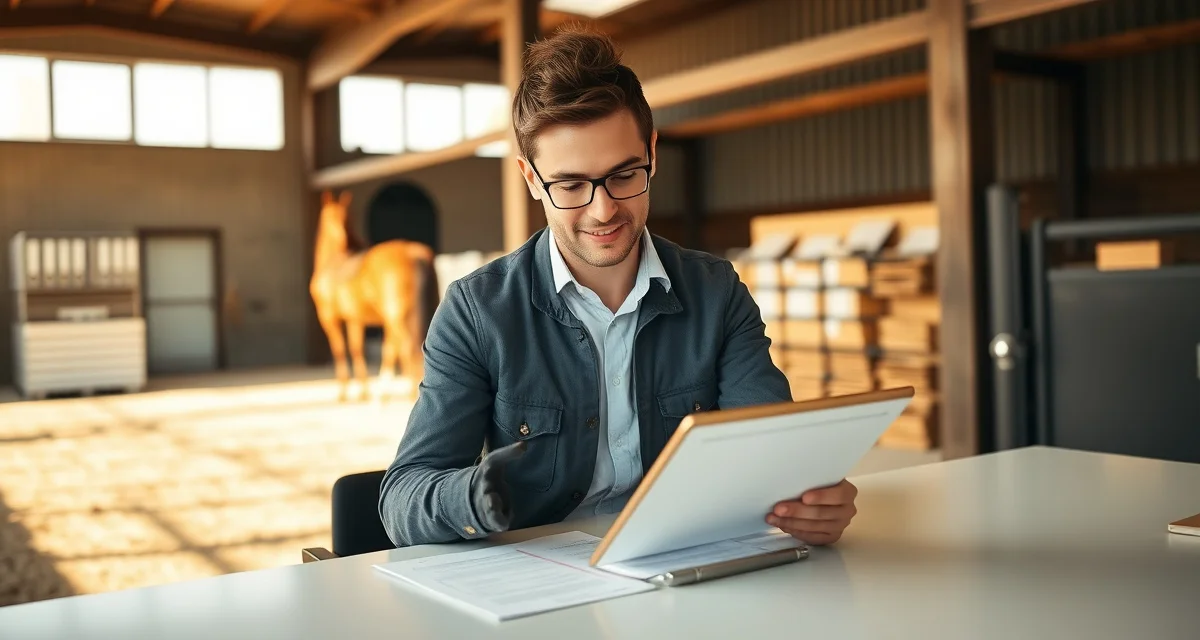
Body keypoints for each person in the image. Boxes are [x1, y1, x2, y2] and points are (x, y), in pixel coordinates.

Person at [377, 26, 859, 548]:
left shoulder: (717, 294)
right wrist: (477, 496)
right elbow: (403, 497)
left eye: (624, 174)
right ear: (532, 178)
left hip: (681, 568)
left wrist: (809, 503)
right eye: (570, 185)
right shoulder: (477, 312)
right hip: (541, 591)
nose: (603, 210)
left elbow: (770, 453)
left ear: (651, 151)